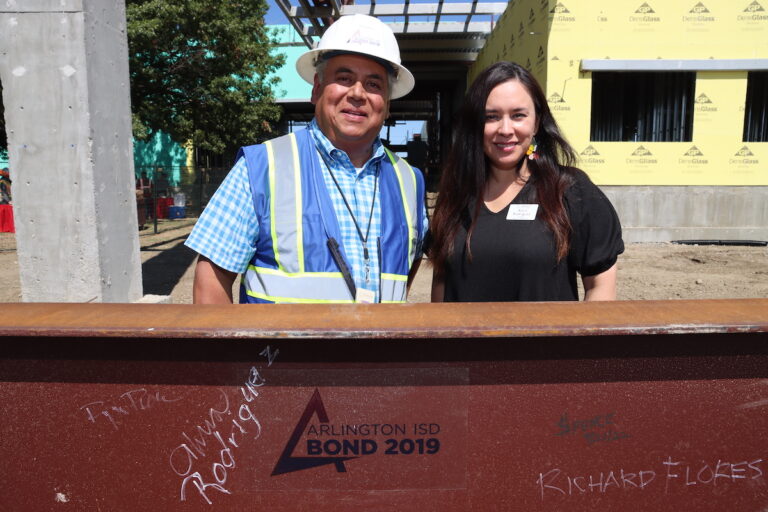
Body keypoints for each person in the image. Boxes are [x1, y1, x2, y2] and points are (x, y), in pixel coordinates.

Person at [185, 14, 428, 304]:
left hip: (380, 350)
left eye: (374, 84)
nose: (357, 93)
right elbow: (211, 281)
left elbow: (406, 270)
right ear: (316, 88)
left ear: (387, 104)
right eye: (344, 78)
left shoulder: (409, 180)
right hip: (278, 351)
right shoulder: (261, 167)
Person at [428, 61, 623, 302]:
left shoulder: (569, 190)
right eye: (491, 117)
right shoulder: (456, 194)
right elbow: (441, 284)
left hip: (543, 341)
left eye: (518, 115)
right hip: (465, 340)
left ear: (537, 122)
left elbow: (600, 287)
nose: (505, 129)